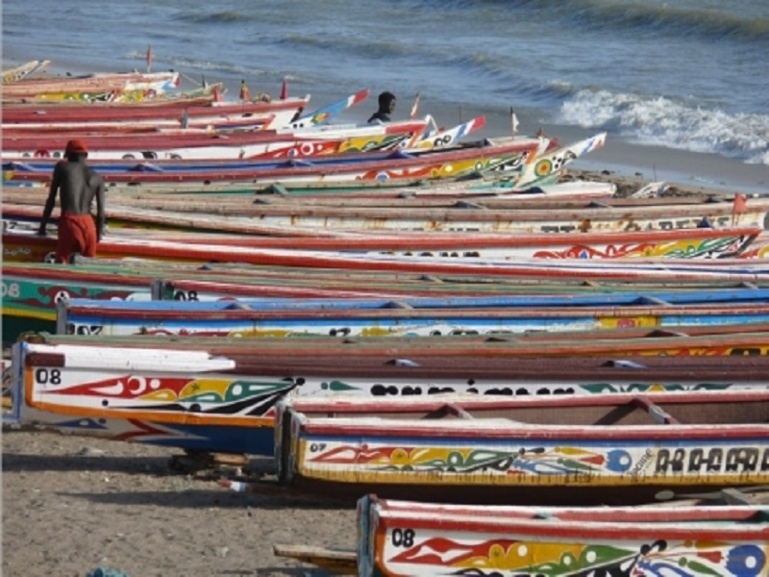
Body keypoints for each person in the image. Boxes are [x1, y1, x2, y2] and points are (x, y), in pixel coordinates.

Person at [37, 139, 106, 264]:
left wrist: (42, 227)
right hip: (90, 226)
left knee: (62, 267)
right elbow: (101, 213)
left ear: (68, 155)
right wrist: (98, 234)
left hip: (69, 223)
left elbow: (51, 199)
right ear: (86, 155)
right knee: (88, 270)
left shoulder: (62, 167)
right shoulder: (97, 177)